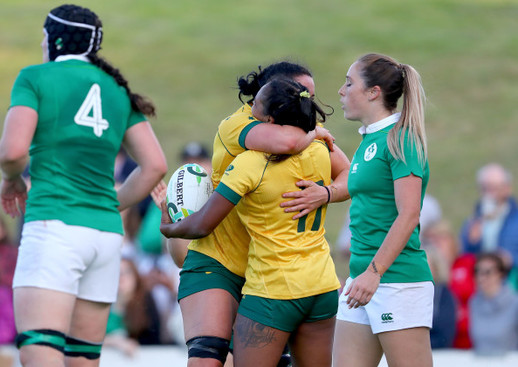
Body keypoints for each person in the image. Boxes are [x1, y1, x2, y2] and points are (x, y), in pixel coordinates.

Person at [0, 4, 167, 367]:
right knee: (82, 359)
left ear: (53, 39)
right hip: (104, 238)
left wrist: (11, 179)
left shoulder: (35, 77)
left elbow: (13, 153)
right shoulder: (118, 89)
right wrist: (112, 204)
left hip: (54, 227)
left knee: (39, 349)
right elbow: (154, 167)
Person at [168, 61, 349, 367]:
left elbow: (349, 174)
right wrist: (315, 130)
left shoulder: (308, 139)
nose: (309, 105)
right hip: (222, 260)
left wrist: (326, 193)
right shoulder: (239, 126)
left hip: (271, 270)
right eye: (303, 95)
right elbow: (287, 142)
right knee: (208, 357)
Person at [332, 53, 433, 367]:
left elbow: (410, 214)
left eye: (349, 83)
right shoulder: (368, 140)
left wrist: (374, 273)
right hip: (359, 281)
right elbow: (356, 185)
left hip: (396, 281)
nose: (341, 91)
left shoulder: (401, 139)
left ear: (373, 92)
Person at [460, 163, 518, 289]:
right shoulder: (473, 221)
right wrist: (473, 242)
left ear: (507, 188)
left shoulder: (515, 218)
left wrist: (510, 258)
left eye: (495, 188)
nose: (490, 193)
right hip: (483, 284)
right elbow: (465, 255)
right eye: (486, 188)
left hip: (511, 282)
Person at [104, 257, 162, 357]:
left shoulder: (145, 304)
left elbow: (153, 340)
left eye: (126, 272)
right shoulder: (101, 307)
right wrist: (117, 343)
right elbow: (88, 339)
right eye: (116, 273)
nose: (121, 277)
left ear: (136, 278)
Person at [469, 252, 518, 355]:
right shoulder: (474, 303)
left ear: (500, 274)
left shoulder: (514, 303)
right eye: (477, 271)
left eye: (488, 272)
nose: (481, 277)